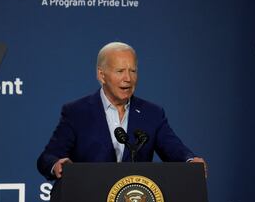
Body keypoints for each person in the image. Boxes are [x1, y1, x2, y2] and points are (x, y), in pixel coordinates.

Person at [37, 42, 205, 180]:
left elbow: (174, 149)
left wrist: (190, 161)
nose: (128, 78)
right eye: (120, 71)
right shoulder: (77, 112)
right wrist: (56, 164)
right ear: (101, 76)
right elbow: (47, 157)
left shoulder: (152, 113)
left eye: (133, 71)